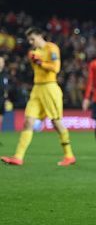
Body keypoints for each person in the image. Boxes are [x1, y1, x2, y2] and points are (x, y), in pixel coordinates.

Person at [1, 27, 76, 166]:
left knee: (56, 122)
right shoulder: (33, 53)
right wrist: (35, 60)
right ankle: (18, 157)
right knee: (28, 121)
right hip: (37, 88)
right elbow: (38, 67)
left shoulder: (51, 48)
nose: (30, 42)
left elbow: (56, 68)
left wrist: (41, 62)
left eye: (32, 39)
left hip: (50, 87)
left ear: (40, 36)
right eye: (29, 40)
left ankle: (69, 155)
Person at [0, 56, 8, 131]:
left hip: (2, 98)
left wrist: (6, 99)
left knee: (1, 114)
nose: (1, 63)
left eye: (2, 62)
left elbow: (6, 87)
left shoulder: (5, 74)